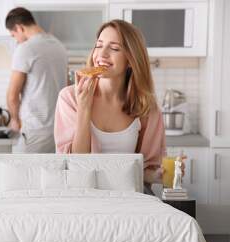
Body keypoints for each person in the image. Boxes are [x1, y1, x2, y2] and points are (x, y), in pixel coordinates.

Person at [54, 19, 178, 184]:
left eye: (114, 48)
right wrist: (84, 108)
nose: (102, 54)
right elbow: (74, 165)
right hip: (82, 196)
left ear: (130, 60)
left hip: (128, 198)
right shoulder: (69, 98)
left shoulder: (146, 106)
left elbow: (145, 169)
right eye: (99, 45)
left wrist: (159, 175)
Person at [5, 7, 67, 153]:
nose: (16, 40)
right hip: (58, 130)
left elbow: (12, 95)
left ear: (19, 28)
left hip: (34, 131)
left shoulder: (26, 49)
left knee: (23, 175)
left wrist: (14, 120)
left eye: (14, 35)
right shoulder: (59, 46)